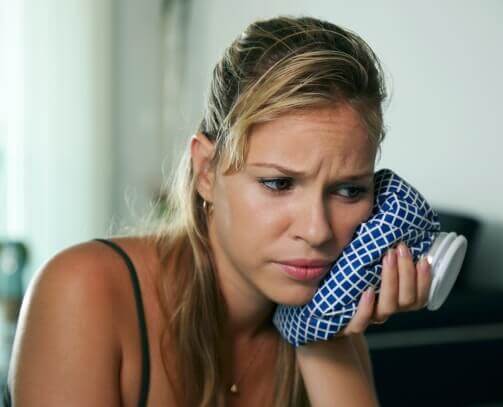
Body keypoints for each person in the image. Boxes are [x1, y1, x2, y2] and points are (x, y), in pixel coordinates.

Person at [4, 15, 432, 406]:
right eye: (279, 183)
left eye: (348, 191)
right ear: (206, 170)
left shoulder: (330, 323)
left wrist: (322, 337)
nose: (318, 231)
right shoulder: (83, 292)